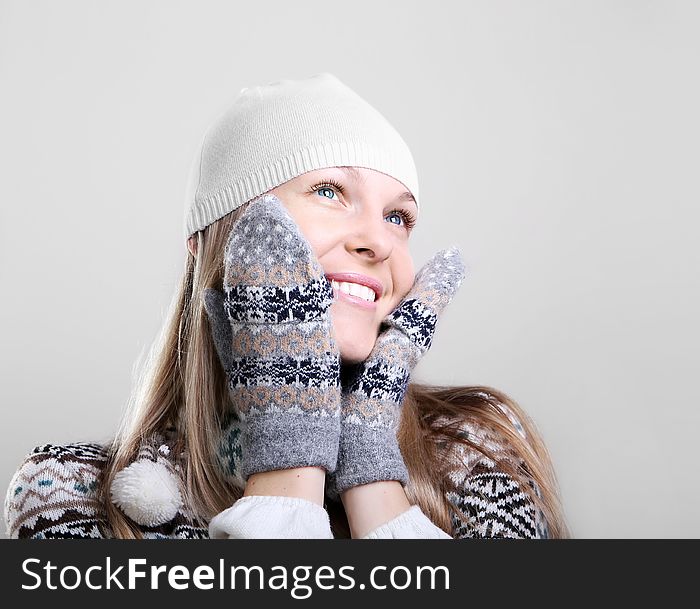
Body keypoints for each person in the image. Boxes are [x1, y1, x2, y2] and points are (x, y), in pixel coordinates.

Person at [4, 73, 569, 539]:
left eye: (398, 217)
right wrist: (288, 466)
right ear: (212, 244)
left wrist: (372, 463)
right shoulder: (70, 490)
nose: (379, 241)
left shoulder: (476, 450)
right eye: (329, 191)